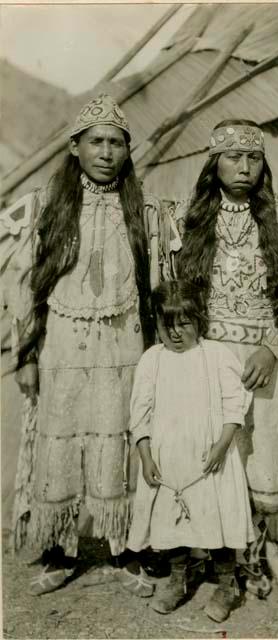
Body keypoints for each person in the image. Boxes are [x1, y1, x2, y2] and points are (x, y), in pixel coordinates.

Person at [0, 94, 179, 596]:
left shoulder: (143, 212)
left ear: (127, 151)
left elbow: (162, 284)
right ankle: (58, 552)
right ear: (75, 146)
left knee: (120, 435)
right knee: (59, 438)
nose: (106, 152)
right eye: (96, 141)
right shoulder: (45, 205)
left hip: (123, 343)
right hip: (60, 343)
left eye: (117, 143)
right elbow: (21, 282)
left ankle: (124, 550)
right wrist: (27, 353)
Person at [175, 119, 278, 591]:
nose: (244, 167)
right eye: (233, 157)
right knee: (212, 455)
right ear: (214, 163)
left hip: (267, 362)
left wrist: (273, 346)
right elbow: (172, 290)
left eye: (254, 158)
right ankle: (211, 557)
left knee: (262, 456)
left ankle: (259, 556)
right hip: (207, 360)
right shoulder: (192, 220)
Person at [127, 279, 254, 622]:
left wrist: (221, 446)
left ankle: (227, 583)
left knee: (217, 518)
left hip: (210, 458)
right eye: (168, 326)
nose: (177, 333)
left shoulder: (216, 356)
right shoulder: (152, 360)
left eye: (184, 323)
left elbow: (233, 407)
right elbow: (139, 415)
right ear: (157, 324)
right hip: (169, 459)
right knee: (173, 520)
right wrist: (146, 455)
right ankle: (178, 579)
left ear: (199, 319)